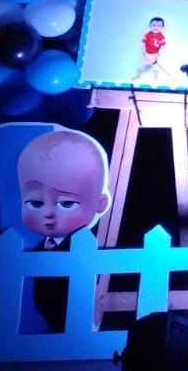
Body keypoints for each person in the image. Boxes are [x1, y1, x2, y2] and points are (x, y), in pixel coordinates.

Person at [16, 128, 113, 332]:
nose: (48, 213)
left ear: (100, 203)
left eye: (66, 204)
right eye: (36, 203)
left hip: (74, 319)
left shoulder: (84, 247)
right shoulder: (41, 247)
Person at [133, 16, 170, 82]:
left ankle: (156, 79)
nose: (156, 27)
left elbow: (162, 46)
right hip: (146, 53)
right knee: (140, 64)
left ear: (162, 27)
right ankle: (137, 76)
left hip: (155, 54)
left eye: (159, 26)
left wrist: (158, 54)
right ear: (150, 26)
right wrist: (144, 52)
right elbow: (143, 43)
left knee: (156, 66)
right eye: (154, 25)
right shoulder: (147, 35)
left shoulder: (161, 36)